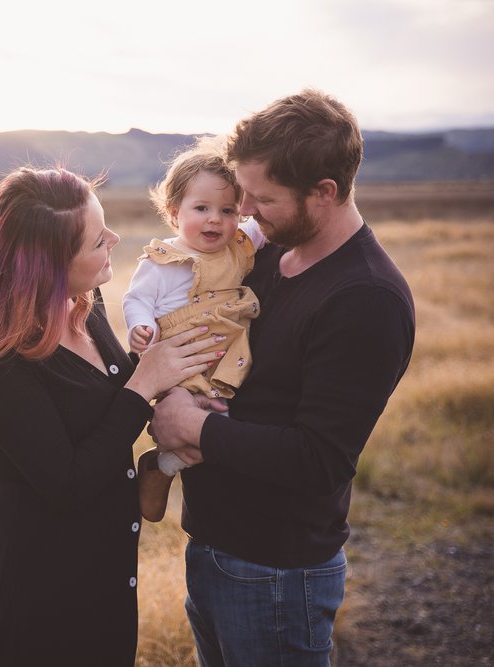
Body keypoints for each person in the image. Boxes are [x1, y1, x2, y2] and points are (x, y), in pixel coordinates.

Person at [149, 89, 415, 665]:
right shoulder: (268, 257)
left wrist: (190, 427)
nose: (243, 209)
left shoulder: (365, 298)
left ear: (324, 193)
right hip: (215, 548)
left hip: (275, 574)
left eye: (261, 197)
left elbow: (319, 459)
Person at [0, 165, 226, 665]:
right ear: (47, 265)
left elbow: (102, 404)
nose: (114, 238)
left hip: (102, 580)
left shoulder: (83, 303)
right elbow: (67, 482)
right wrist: (143, 384)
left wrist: (178, 388)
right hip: (38, 597)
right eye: (95, 241)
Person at [122, 137, 265, 522]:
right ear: (174, 213)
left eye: (228, 209)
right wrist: (141, 327)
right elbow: (137, 300)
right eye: (201, 208)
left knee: (221, 426)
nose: (215, 219)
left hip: (224, 358)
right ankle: (162, 470)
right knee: (198, 424)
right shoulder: (163, 261)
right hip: (181, 361)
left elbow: (272, 223)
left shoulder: (239, 245)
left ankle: (162, 467)